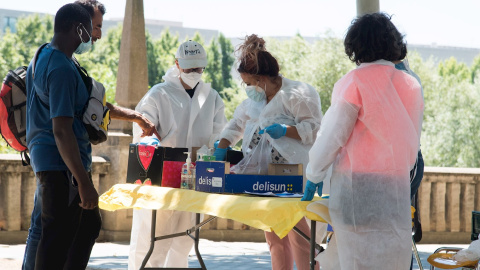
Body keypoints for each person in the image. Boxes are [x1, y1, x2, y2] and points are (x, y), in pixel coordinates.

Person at [21, 1, 159, 269]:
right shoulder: (60, 67)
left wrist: (135, 116)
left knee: (81, 228)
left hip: (54, 163)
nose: (96, 36)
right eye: (92, 28)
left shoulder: (47, 56)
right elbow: (61, 130)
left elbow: (88, 109)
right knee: (55, 242)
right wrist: (83, 182)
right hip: (61, 167)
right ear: (77, 28)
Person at [302, 13, 424, 270]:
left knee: (354, 260)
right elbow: (411, 146)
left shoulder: (354, 81)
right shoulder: (411, 85)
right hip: (395, 192)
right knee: (391, 259)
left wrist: (314, 173)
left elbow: (333, 135)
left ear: (356, 46)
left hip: (355, 191)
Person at [214, 34, 323, 270]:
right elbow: (236, 124)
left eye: (250, 83)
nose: (248, 89)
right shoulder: (254, 101)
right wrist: (222, 145)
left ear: (262, 79)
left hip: (292, 173)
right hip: (263, 175)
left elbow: (314, 129)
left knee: (298, 233)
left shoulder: (299, 94)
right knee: (274, 235)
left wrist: (286, 130)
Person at [128, 40, 227, 269]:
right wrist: (150, 140)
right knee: (151, 243)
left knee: (184, 243)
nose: (194, 73)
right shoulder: (159, 94)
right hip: (162, 180)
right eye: (189, 68)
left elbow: (219, 134)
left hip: (195, 180)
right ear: (177, 64)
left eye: (198, 69)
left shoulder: (211, 97)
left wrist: (211, 151)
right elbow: (142, 129)